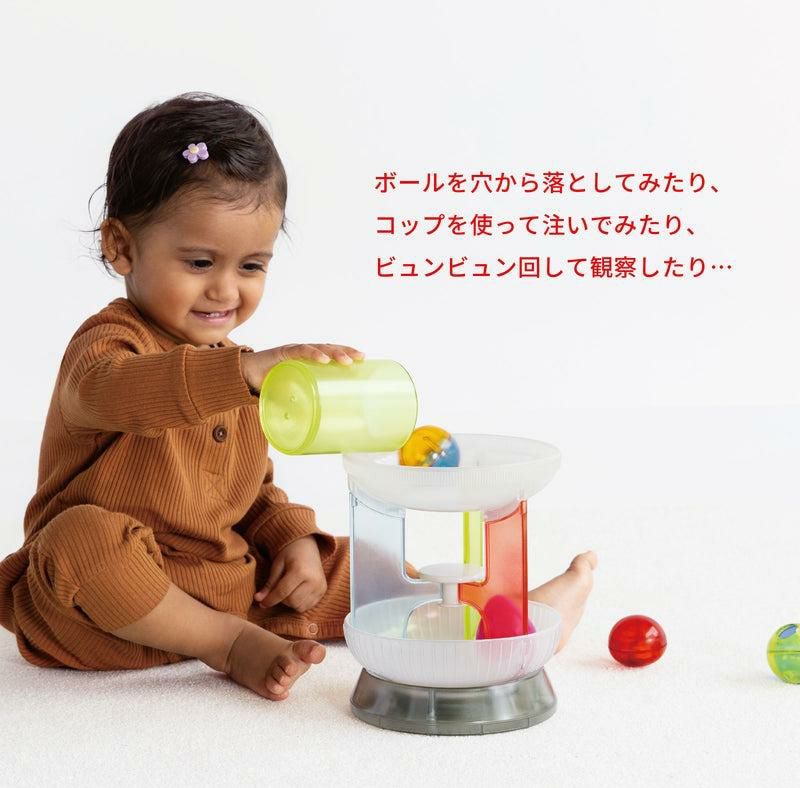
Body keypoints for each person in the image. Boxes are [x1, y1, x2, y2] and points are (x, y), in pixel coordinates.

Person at [0, 91, 597, 702]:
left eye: (251, 266)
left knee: (357, 566)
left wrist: (289, 538)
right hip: (94, 611)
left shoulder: (240, 372)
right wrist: (243, 372)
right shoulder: (110, 347)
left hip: (223, 587)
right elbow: (117, 393)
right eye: (200, 262)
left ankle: (504, 619)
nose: (225, 290)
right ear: (121, 247)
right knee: (80, 539)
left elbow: (246, 492)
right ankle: (227, 644)